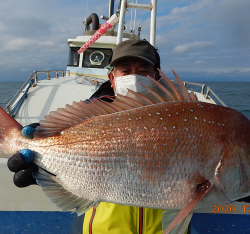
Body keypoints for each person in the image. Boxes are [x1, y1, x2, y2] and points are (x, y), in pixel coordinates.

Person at [7, 39, 189, 234]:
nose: (134, 77)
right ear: (112, 78)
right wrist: (44, 166)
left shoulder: (184, 118)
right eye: (125, 71)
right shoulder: (91, 115)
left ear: (157, 77)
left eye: (144, 71)